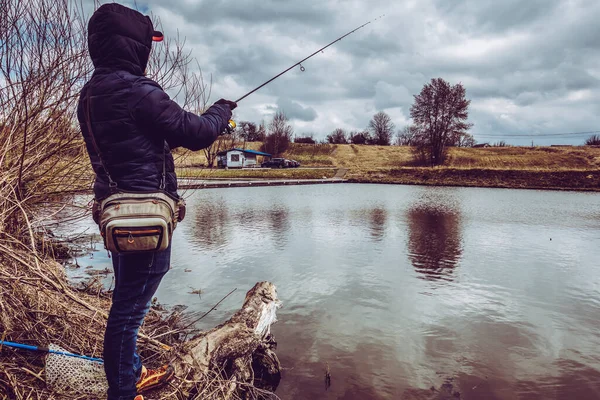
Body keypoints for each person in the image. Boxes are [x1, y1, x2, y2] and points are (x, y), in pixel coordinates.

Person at [77, 3, 237, 400]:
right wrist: (222, 110)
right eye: (147, 43)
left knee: (126, 299)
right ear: (133, 46)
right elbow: (195, 132)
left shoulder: (90, 93)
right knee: (128, 312)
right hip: (144, 214)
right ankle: (123, 391)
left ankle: (130, 371)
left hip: (115, 212)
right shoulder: (137, 90)